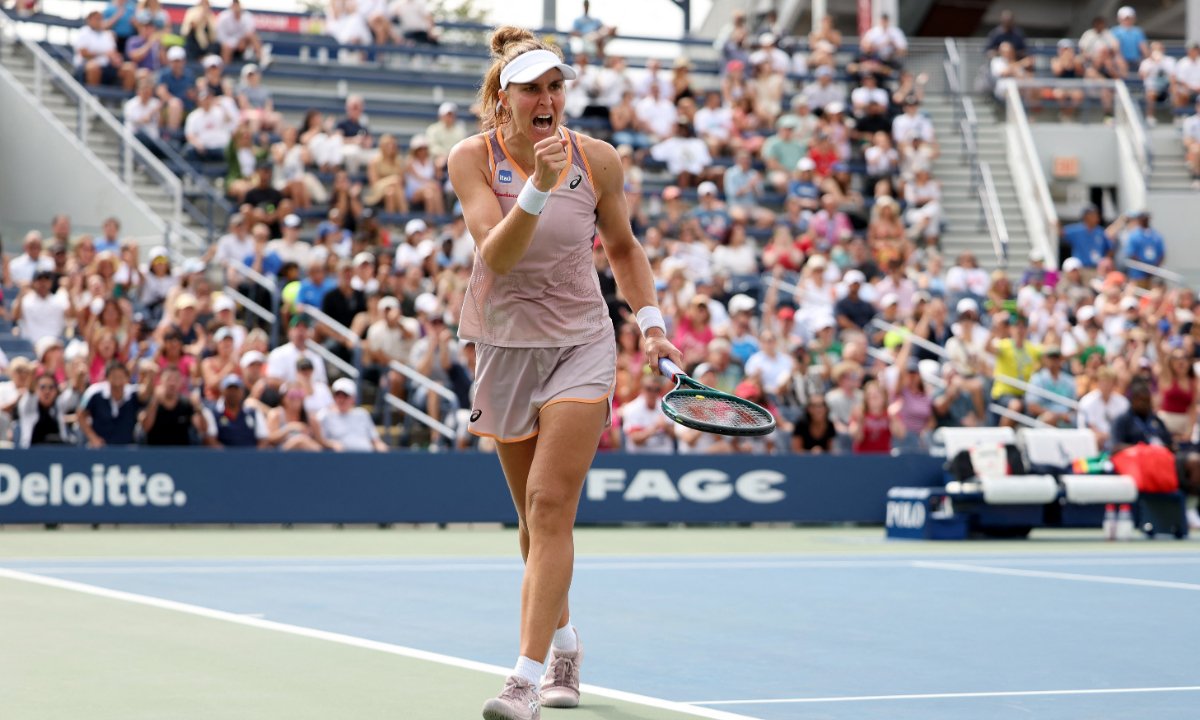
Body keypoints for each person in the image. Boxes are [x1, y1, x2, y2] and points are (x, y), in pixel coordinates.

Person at [447, 26, 683, 718]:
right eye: (532, 89)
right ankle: (567, 644)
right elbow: (497, 257)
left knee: (552, 506)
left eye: (556, 87)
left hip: (582, 342)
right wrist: (539, 189)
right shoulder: (471, 159)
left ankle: (523, 680)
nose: (548, 99)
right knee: (530, 521)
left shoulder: (598, 160)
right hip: (506, 346)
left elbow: (624, 248)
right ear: (503, 97)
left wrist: (653, 324)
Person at [320, 377, 388, 451]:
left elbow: (376, 441)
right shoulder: (326, 416)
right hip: (341, 460)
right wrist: (331, 444)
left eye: (345, 396)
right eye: (337, 395)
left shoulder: (362, 414)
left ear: (353, 398)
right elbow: (321, 441)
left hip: (367, 458)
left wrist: (381, 447)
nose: (341, 399)